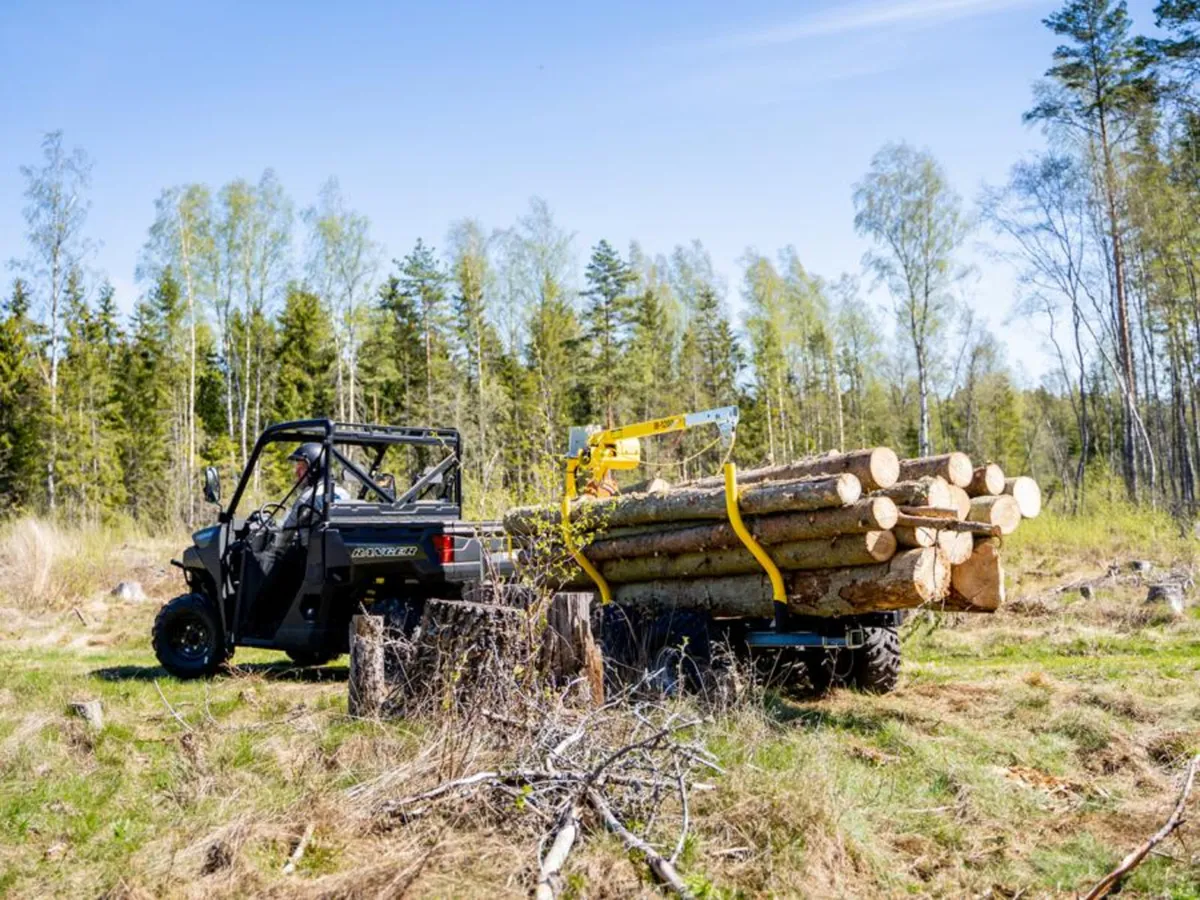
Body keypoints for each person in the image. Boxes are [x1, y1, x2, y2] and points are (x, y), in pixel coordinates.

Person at [283, 442, 349, 529]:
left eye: (301, 467)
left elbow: (285, 533)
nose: (296, 472)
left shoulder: (307, 498)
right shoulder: (344, 494)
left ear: (314, 469)